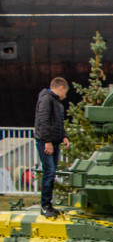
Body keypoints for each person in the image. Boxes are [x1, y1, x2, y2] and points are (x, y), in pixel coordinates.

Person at [33, 76, 70, 217]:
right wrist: (47, 141)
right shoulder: (46, 99)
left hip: (54, 142)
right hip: (46, 142)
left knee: (52, 171)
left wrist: (64, 136)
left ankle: (49, 204)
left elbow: (58, 123)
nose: (65, 96)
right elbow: (43, 120)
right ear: (60, 87)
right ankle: (45, 205)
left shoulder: (56, 103)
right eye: (65, 92)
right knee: (49, 171)